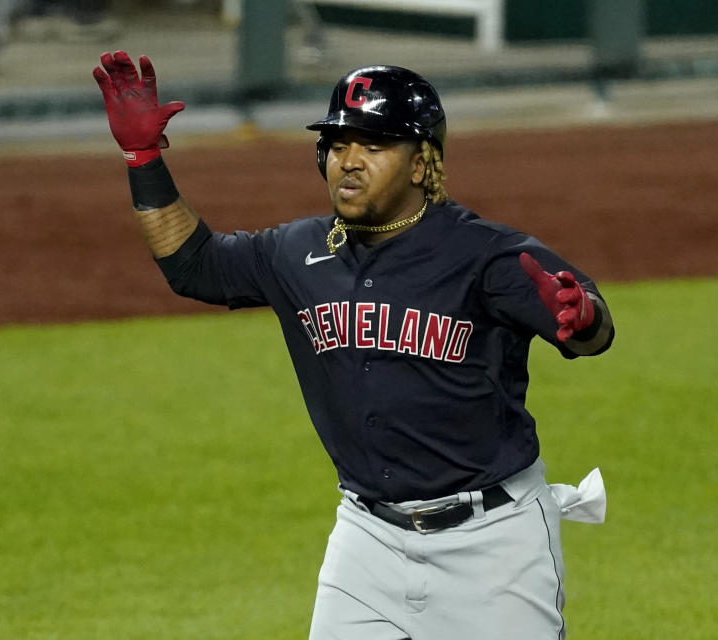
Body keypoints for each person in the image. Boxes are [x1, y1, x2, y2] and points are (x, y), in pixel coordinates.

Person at [93, 51, 615, 639]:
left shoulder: (483, 255)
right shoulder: (296, 253)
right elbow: (195, 266)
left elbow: (591, 328)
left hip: (494, 543)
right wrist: (142, 160)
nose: (350, 160)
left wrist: (585, 316)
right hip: (368, 540)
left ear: (421, 165)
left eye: (374, 145)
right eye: (339, 144)